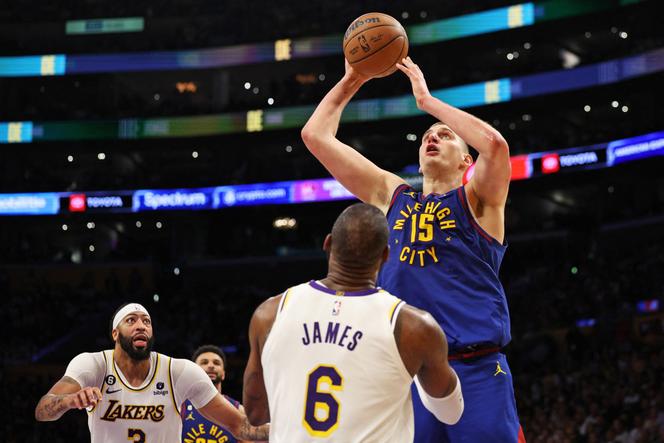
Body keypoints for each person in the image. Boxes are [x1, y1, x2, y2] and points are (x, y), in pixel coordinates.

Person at [301, 57, 524, 442]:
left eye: (445, 136)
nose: (431, 138)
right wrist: (353, 78)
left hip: (475, 368)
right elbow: (315, 136)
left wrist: (427, 101)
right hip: (406, 375)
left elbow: (496, 145)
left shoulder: (480, 201)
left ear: (466, 161)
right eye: (426, 137)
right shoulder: (394, 196)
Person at [242, 203, 464, 442]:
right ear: (385, 255)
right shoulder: (415, 327)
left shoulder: (270, 313)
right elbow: (450, 413)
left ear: (327, 244)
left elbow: (255, 414)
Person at [35, 303, 269, 443]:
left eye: (146, 321)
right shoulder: (93, 364)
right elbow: (43, 411)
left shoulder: (179, 371)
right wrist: (68, 400)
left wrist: (289, 429)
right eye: (131, 320)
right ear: (115, 333)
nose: (141, 325)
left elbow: (239, 426)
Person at [182, 345, 251, 443]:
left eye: (216, 363)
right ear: (194, 372)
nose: (211, 365)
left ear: (223, 374)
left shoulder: (239, 410)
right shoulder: (179, 406)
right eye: (204, 362)